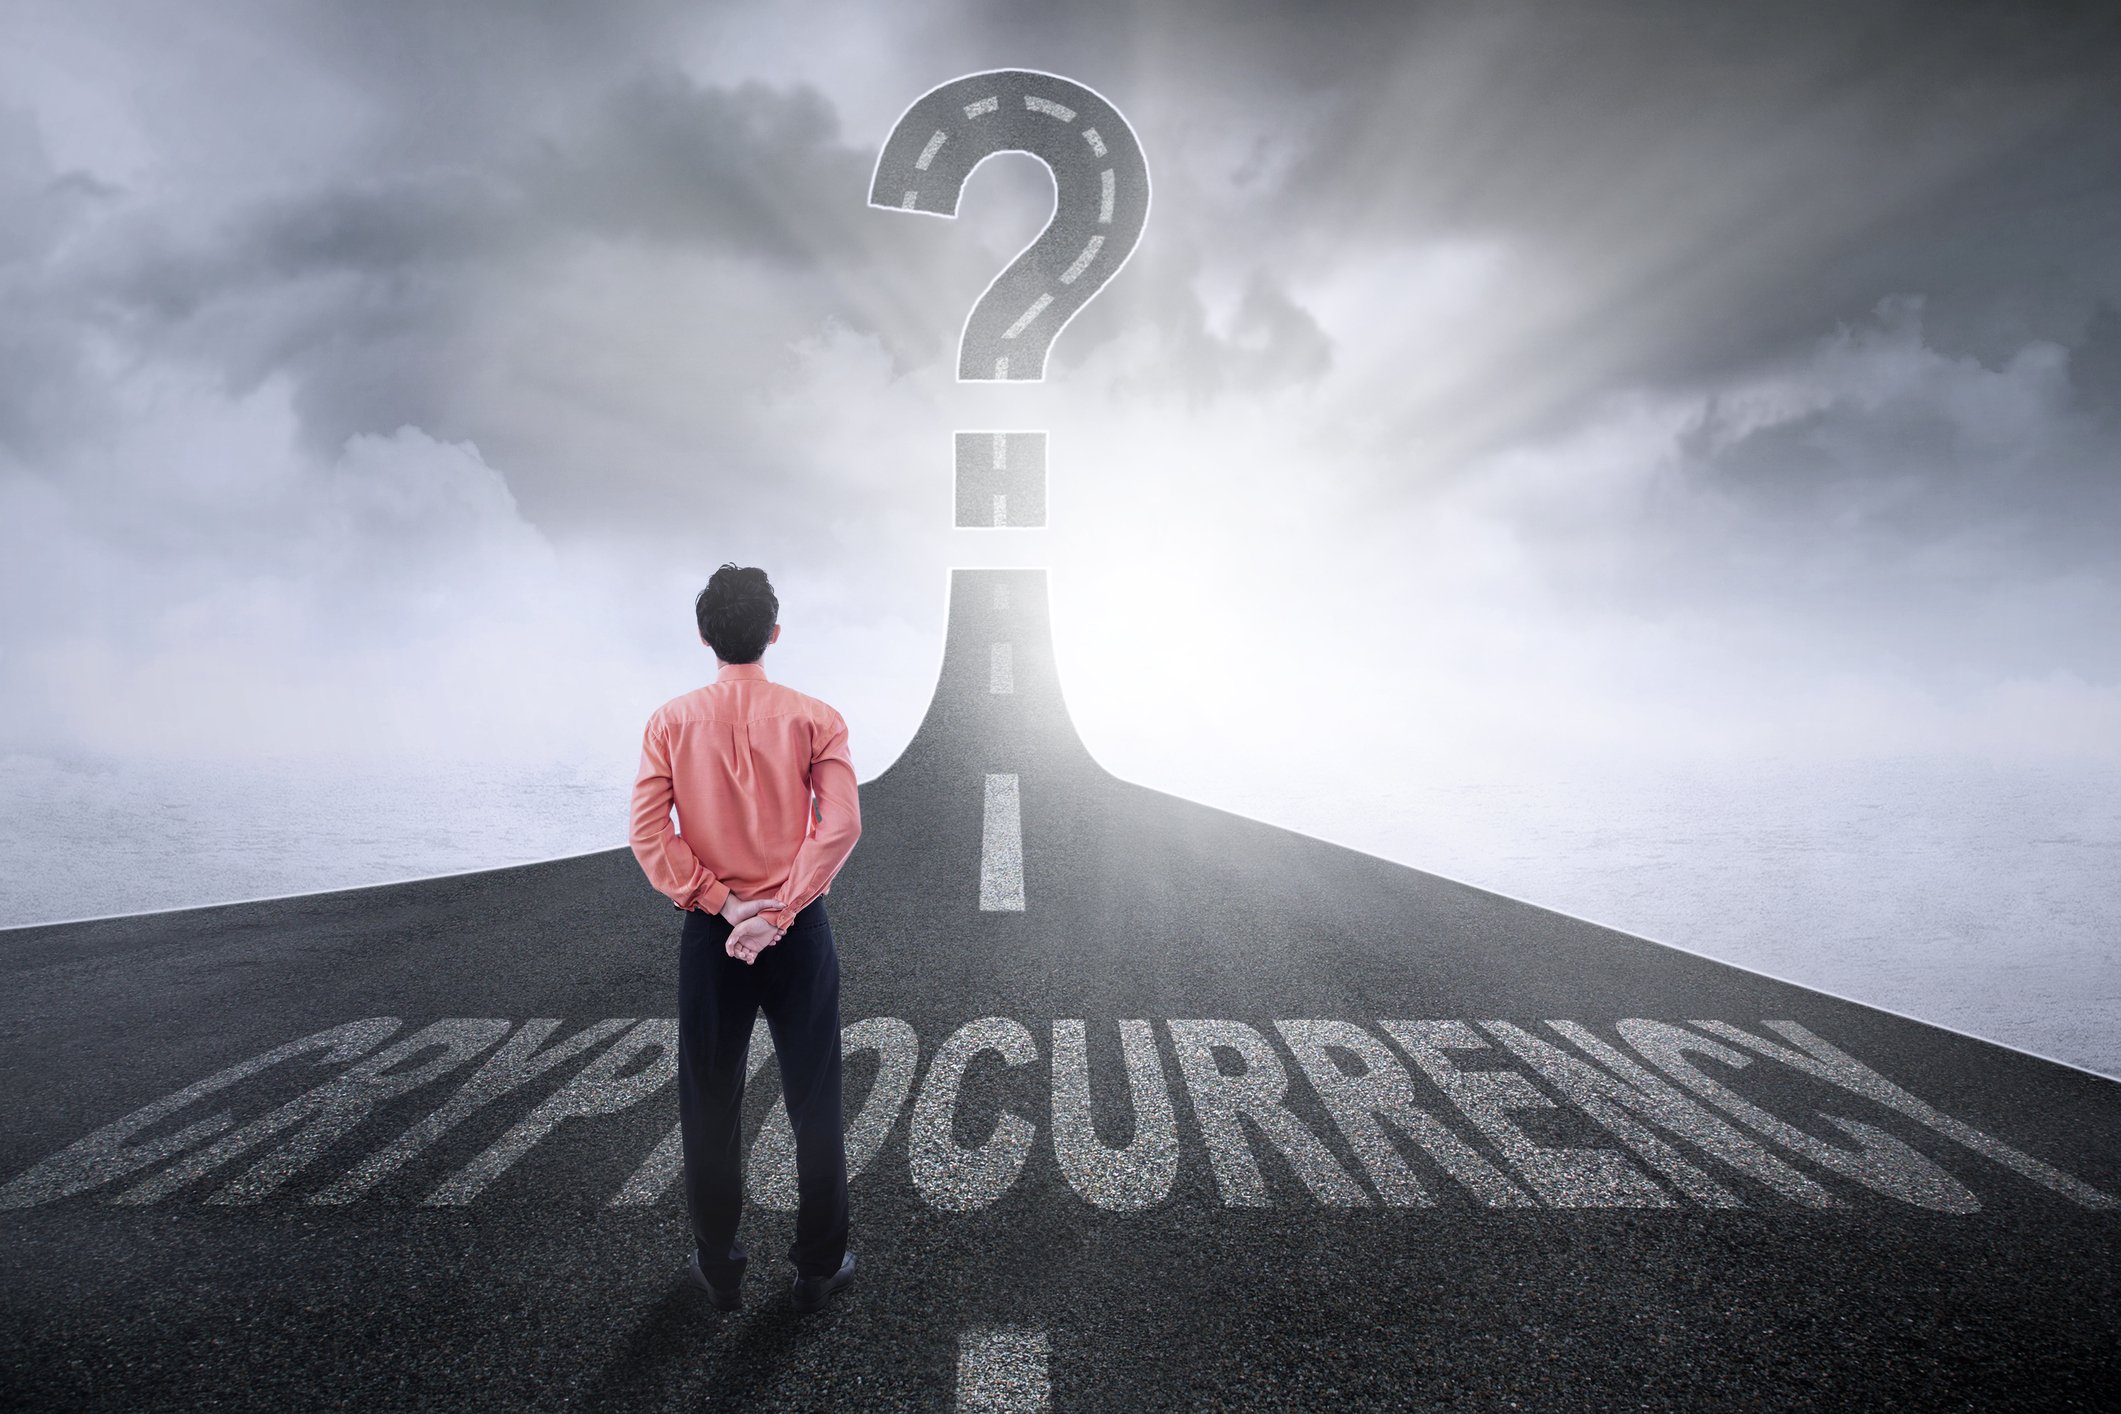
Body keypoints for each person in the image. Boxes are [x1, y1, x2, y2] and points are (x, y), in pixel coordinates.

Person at [628, 563, 862, 1314]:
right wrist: (780, 910)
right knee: (814, 1098)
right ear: (773, 633)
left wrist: (726, 909)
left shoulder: (668, 721)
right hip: (797, 934)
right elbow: (841, 826)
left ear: (704, 636)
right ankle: (820, 1264)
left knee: (708, 1100)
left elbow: (646, 834)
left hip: (711, 937)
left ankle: (719, 1268)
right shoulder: (816, 716)